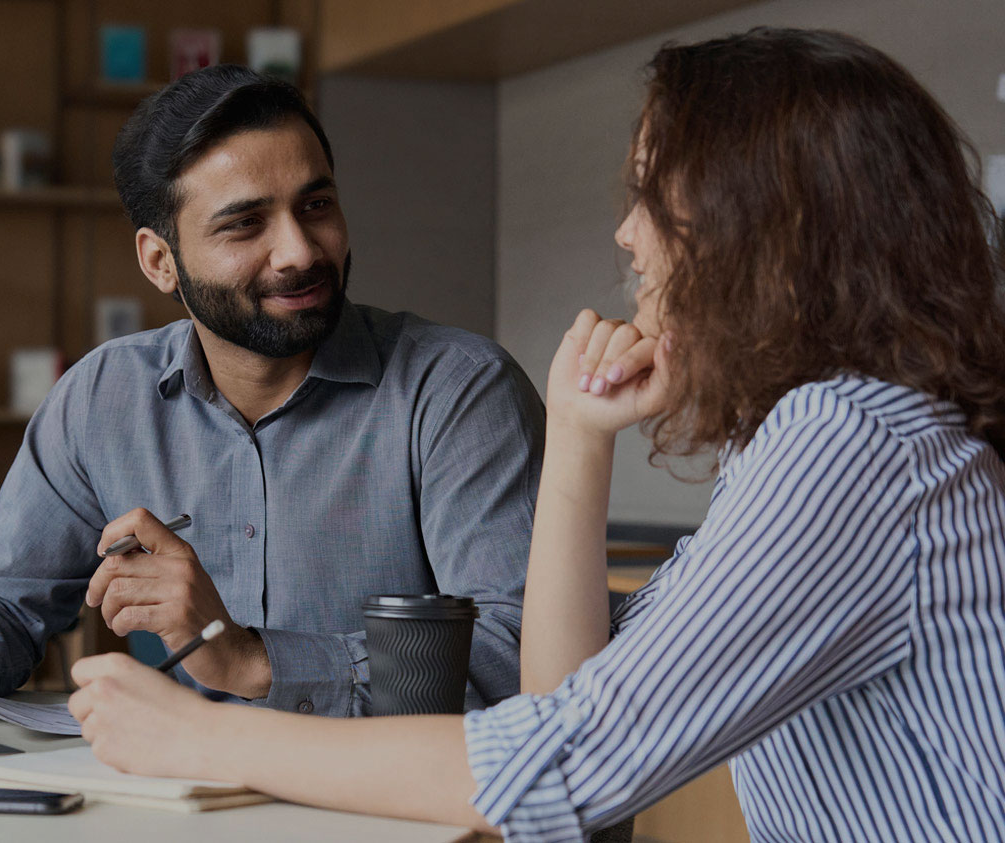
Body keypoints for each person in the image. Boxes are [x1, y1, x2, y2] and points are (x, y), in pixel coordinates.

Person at [64, 28, 1005, 842]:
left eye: (652, 194)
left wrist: (201, 734)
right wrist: (581, 438)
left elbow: (560, 770)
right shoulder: (822, 437)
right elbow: (564, 697)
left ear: (758, 221)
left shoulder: (850, 443)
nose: (629, 236)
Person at [0, 66, 544, 718]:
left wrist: (253, 661)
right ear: (160, 261)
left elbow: (524, 656)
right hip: (191, 799)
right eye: (245, 223)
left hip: (410, 808)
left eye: (317, 203)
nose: (300, 250)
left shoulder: (458, 389)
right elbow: (0, 595)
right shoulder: (104, 397)